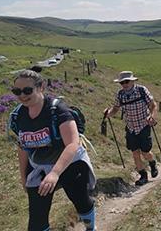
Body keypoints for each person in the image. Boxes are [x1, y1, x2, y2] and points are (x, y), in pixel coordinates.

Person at [9, 70, 96, 231]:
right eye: (17, 91)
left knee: (81, 201)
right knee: (36, 218)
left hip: (70, 162)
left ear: (41, 87)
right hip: (40, 165)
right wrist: (24, 178)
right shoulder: (18, 116)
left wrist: (55, 173)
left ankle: (91, 227)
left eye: (27, 90)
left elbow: (72, 144)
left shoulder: (58, 111)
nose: (22, 95)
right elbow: (22, 148)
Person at [105, 71, 159, 186]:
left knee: (145, 152)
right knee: (135, 153)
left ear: (132, 81)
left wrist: (152, 116)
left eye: (126, 81)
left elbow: (153, 105)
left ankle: (152, 162)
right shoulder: (120, 95)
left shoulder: (141, 90)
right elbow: (115, 108)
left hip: (144, 125)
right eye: (122, 82)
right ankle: (143, 176)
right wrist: (108, 114)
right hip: (130, 127)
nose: (124, 84)